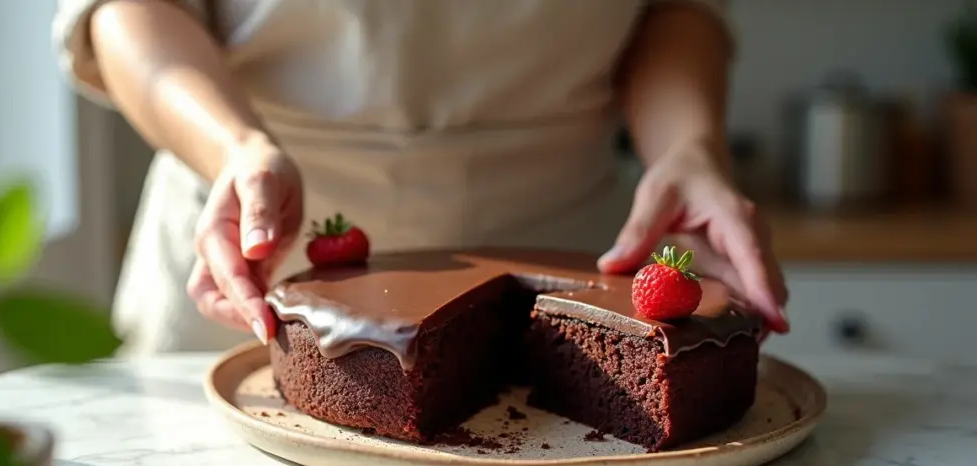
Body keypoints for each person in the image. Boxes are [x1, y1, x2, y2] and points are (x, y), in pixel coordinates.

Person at [54, 0, 789, 357]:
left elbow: (674, 11)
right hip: (258, 263)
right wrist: (235, 147)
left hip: (577, 273)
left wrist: (688, 148)